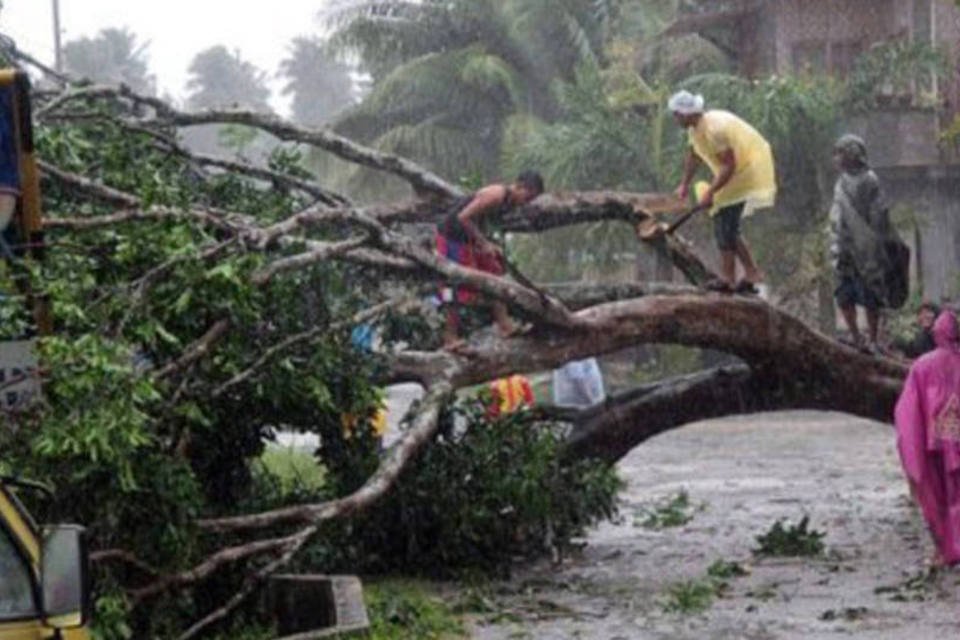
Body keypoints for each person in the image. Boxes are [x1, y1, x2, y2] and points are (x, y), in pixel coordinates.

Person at [668, 91, 777, 294]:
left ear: (686, 114)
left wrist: (710, 192)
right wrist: (684, 183)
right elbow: (694, 156)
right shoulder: (695, 130)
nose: (675, 119)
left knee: (724, 224)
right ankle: (752, 272)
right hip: (733, 175)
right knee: (728, 226)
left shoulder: (713, 130)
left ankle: (728, 278)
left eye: (676, 114)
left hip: (743, 174)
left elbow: (729, 166)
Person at [436, 171, 544, 351]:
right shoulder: (496, 195)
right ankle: (450, 338)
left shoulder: (509, 203)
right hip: (451, 238)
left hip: (470, 240)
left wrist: (491, 245)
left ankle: (504, 325)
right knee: (453, 286)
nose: (527, 202)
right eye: (528, 196)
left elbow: (483, 222)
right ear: (519, 187)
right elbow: (463, 217)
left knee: (495, 272)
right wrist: (484, 243)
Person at [894, 310, 960, 567]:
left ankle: (944, 551)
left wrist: (912, 444)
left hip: (935, 446)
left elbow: (907, 411)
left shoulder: (922, 365)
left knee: (937, 498)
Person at [828, 134, 891, 353]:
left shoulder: (869, 180)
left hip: (865, 249)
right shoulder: (841, 182)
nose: (836, 158)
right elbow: (836, 214)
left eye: (840, 153)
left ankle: (873, 339)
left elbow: (879, 213)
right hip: (842, 248)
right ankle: (856, 336)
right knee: (843, 295)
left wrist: (872, 242)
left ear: (853, 154)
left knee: (870, 295)